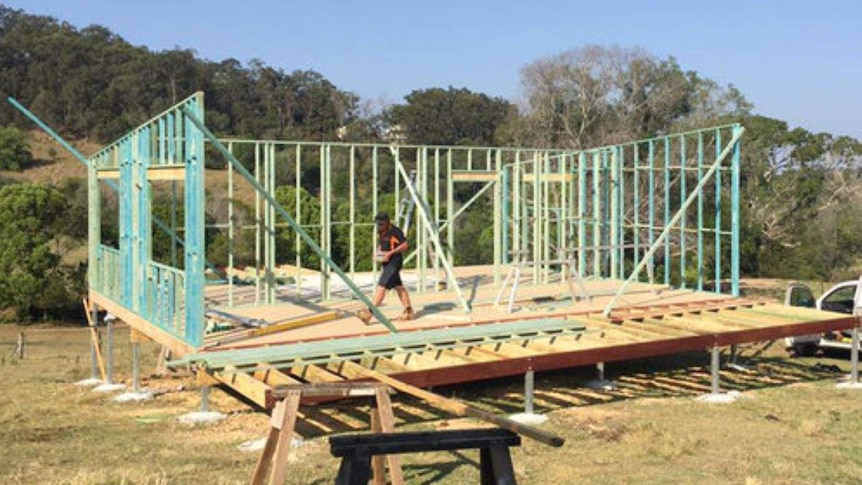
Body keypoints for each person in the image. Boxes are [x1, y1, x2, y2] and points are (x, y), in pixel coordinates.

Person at [358, 212, 415, 324]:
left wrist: (390, 253)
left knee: (381, 286)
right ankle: (409, 311)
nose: (379, 226)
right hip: (387, 263)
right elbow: (383, 244)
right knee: (399, 287)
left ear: (387, 222)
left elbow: (405, 245)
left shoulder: (395, 231)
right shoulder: (382, 231)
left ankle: (369, 312)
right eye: (377, 224)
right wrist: (378, 252)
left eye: (381, 224)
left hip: (394, 263)